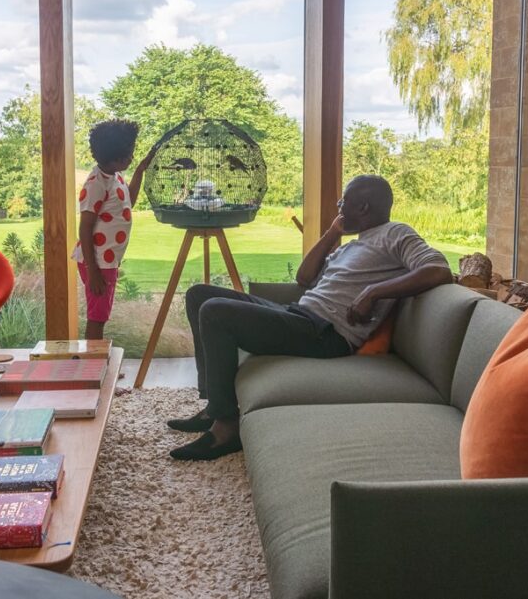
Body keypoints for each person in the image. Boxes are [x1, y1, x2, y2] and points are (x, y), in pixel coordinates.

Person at [168, 174, 454, 461]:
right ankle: (214, 407)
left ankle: (226, 427)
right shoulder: (352, 245)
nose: (339, 207)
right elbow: (304, 277)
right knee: (199, 295)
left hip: (326, 334)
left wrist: (373, 292)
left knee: (215, 311)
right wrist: (332, 234)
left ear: (364, 207)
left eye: (344, 201)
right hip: (300, 315)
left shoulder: (395, 233)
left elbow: (437, 268)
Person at [72, 120, 154, 340]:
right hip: (98, 262)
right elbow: (85, 228)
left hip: (106, 261)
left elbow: (130, 200)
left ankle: (97, 366)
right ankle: (94, 369)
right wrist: (93, 271)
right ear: (115, 157)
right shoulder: (96, 183)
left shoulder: (115, 177)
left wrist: (140, 170)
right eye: (129, 155)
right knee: (97, 317)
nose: (132, 158)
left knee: (100, 314)